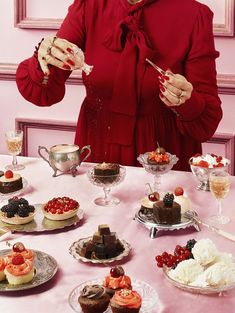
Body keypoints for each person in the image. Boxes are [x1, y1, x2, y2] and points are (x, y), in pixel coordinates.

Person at [16, 0, 222, 171]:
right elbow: (44, 90)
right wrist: (44, 57)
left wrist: (187, 101)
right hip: (97, 149)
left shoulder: (194, 14)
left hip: (164, 157)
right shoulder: (89, 6)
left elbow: (207, 123)